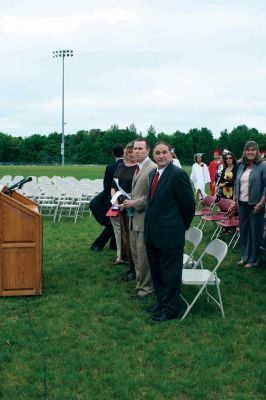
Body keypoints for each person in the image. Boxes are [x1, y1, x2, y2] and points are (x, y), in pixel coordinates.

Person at [144, 141, 195, 322]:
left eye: (164, 152)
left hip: (170, 235)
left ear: (171, 154)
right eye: (157, 153)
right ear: (154, 156)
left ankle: (170, 310)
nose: (161, 156)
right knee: (157, 272)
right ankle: (162, 302)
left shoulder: (177, 174)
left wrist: (181, 226)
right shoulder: (153, 173)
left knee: (170, 274)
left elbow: (189, 205)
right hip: (152, 233)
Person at [122, 138, 156, 299]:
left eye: (140, 149)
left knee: (143, 258)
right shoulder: (139, 167)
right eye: (135, 148)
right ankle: (140, 285)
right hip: (133, 218)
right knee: (135, 255)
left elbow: (151, 197)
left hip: (143, 220)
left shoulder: (152, 168)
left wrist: (133, 202)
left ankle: (146, 289)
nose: (136, 151)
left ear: (148, 150)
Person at [231, 141, 266, 268]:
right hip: (242, 205)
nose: (250, 152)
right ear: (245, 152)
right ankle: (244, 257)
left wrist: (261, 203)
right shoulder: (241, 165)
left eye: (253, 150)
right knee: (245, 232)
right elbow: (236, 183)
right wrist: (234, 201)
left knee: (255, 233)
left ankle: (254, 260)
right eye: (248, 150)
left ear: (257, 151)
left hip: (255, 205)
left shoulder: (262, 165)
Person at [110, 142, 138, 281]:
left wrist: (129, 199)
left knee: (134, 239)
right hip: (120, 206)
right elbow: (113, 185)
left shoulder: (139, 168)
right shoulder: (120, 167)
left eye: (133, 151)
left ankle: (136, 269)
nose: (130, 154)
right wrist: (115, 202)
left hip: (133, 207)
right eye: (128, 151)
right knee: (125, 237)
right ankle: (131, 265)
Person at [90, 144, 124, 252]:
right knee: (116, 223)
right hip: (124, 200)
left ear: (113, 153)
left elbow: (107, 186)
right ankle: (113, 245)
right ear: (124, 153)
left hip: (113, 200)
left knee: (112, 224)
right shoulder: (129, 166)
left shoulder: (110, 167)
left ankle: (98, 245)